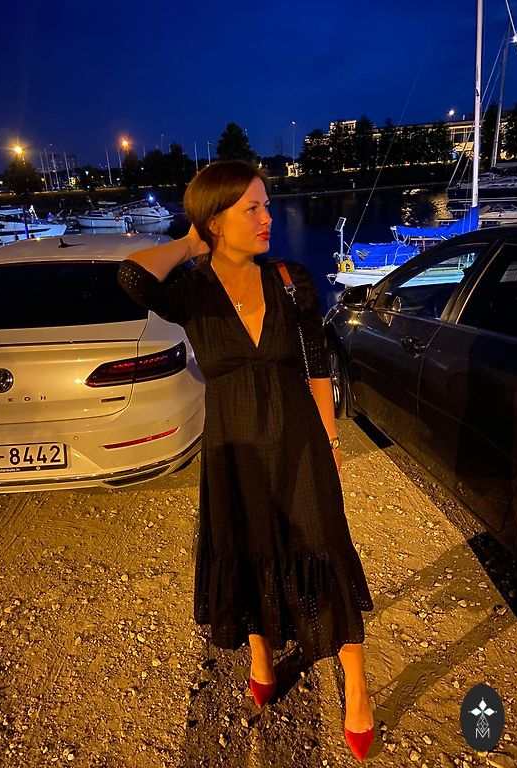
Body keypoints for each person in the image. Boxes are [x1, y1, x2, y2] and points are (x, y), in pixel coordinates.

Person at [118, 160, 374, 762]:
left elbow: (316, 363)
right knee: (248, 541)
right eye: (251, 209)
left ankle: (357, 685)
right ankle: (260, 654)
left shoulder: (290, 279)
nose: (267, 218)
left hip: (300, 438)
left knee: (324, 547)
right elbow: (131, 277)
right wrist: (189, 242)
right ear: (215, 221)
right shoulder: (191, 291)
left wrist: (330, 439)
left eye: (267, 205)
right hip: (234, 444)